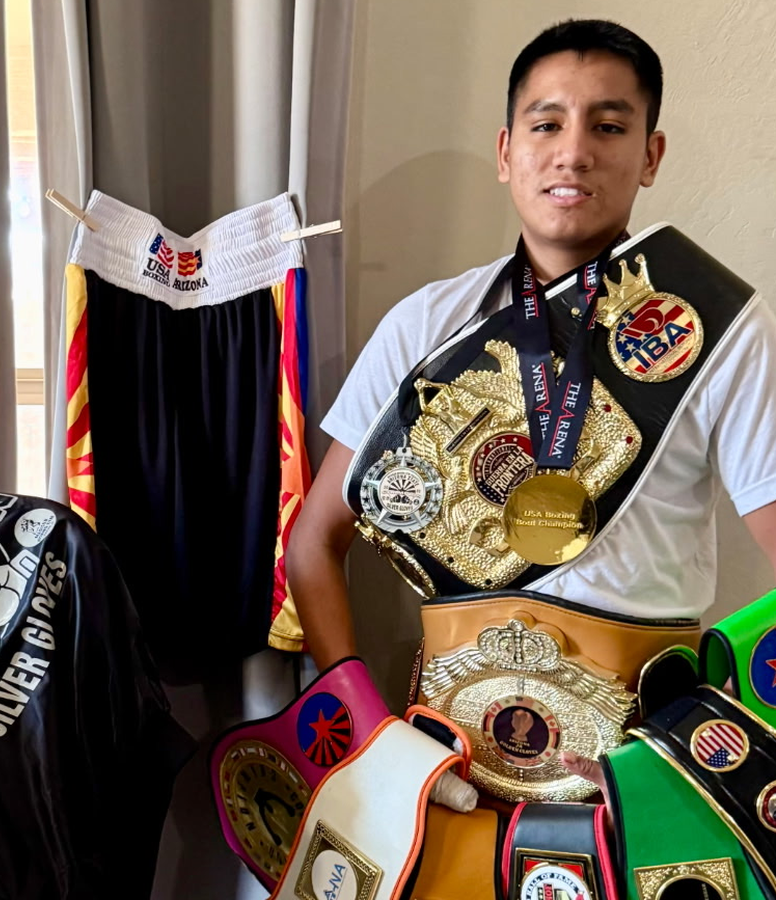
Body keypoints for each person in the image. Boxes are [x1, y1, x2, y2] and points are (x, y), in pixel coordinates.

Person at [286, 19, 776, 786]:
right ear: (506, 151)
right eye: (546, 124)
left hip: (644, 769)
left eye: (608, 126)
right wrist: (370, 731)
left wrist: (719, 742)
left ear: (651, 155)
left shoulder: (715, 326)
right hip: (441, 764)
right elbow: (314, 541)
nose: (573, 152)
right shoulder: (424, 324)